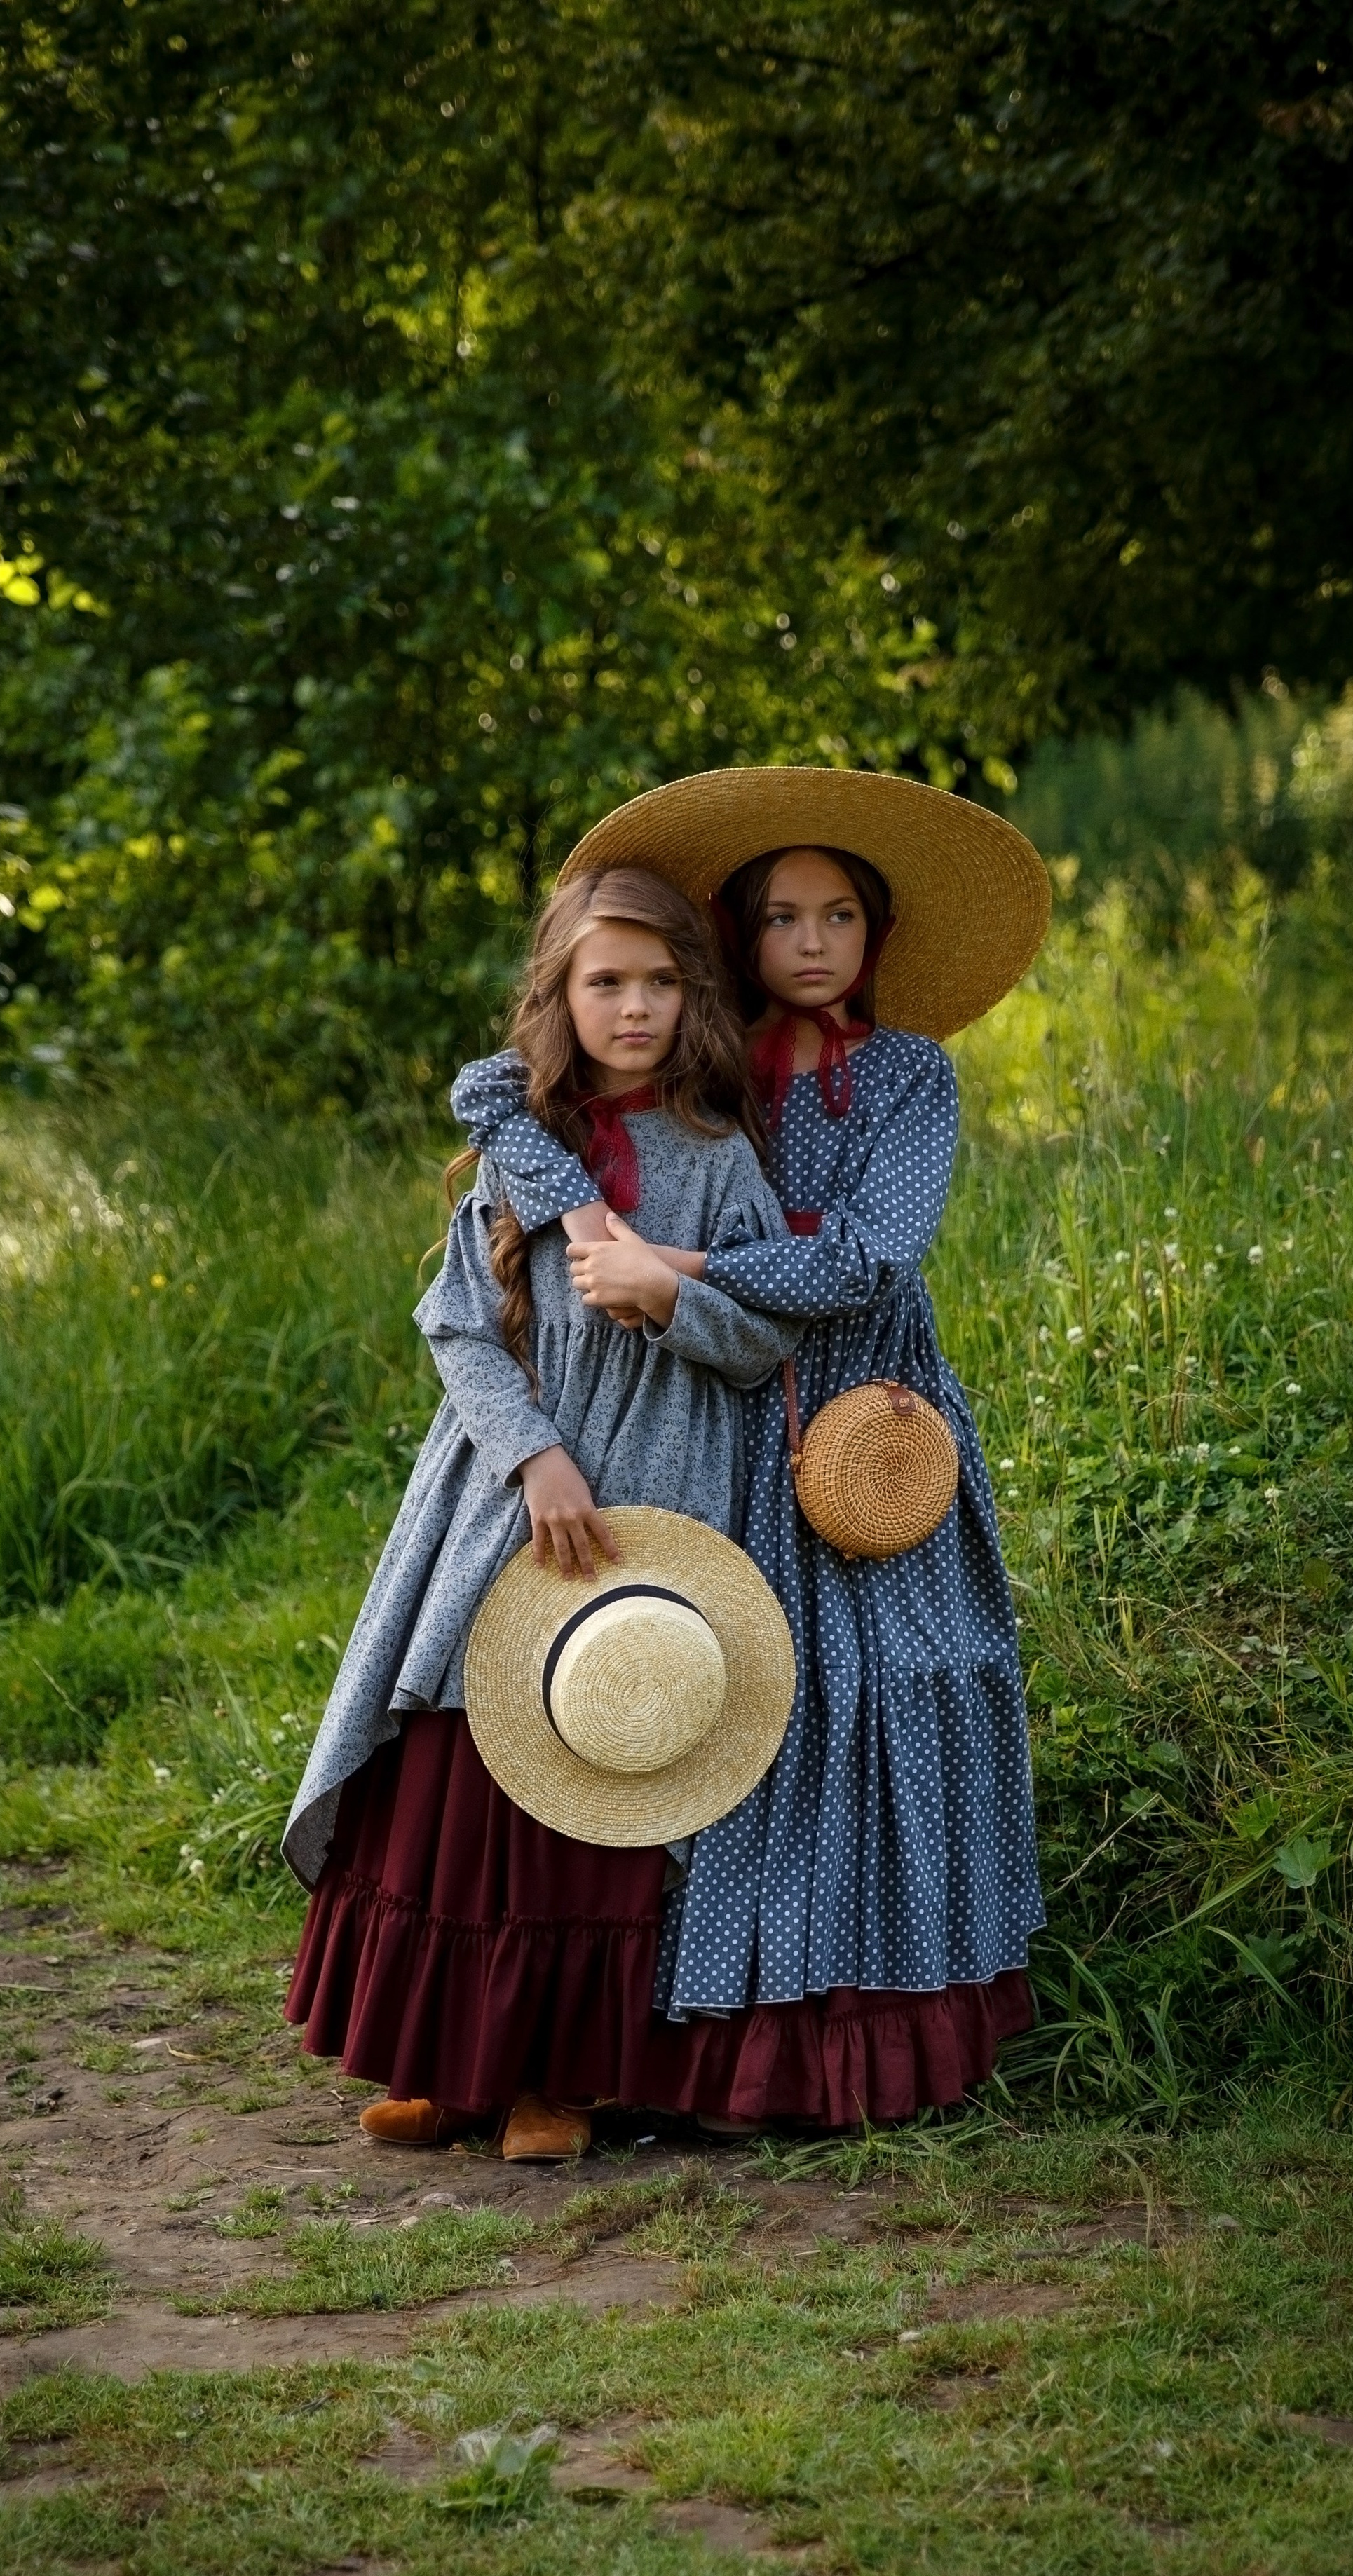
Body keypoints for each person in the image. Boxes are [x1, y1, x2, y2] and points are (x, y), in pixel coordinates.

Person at [453, 767, 1048, 2128]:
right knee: (746, 1705)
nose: (811, 942)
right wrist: (582, 1230)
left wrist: (665, 1261)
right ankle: (707, 2053)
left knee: (901, 1680)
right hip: (717, 1407)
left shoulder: (908, 1075)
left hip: (865, 1418)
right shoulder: (702, 1063)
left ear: (873, 933)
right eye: (780, 916)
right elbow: (500, 1089)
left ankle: (888, 2033)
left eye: (838, 914)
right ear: (738, 932)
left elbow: (864, 1259)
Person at [280, 862, 796, 2160]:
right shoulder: (525, 1150)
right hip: (513, 1487)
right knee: (465, 1750)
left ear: (696, 997)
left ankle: (555, 2082)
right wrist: (532, 1456)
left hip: (656, 1496)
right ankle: (452, 2067)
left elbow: (764, 1336)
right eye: (606, 981)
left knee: (602, 1751)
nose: (636, 1007)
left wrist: (673, 1297)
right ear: (559, 995)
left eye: (663, 982)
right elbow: (456, 1320)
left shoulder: (722, 1158)